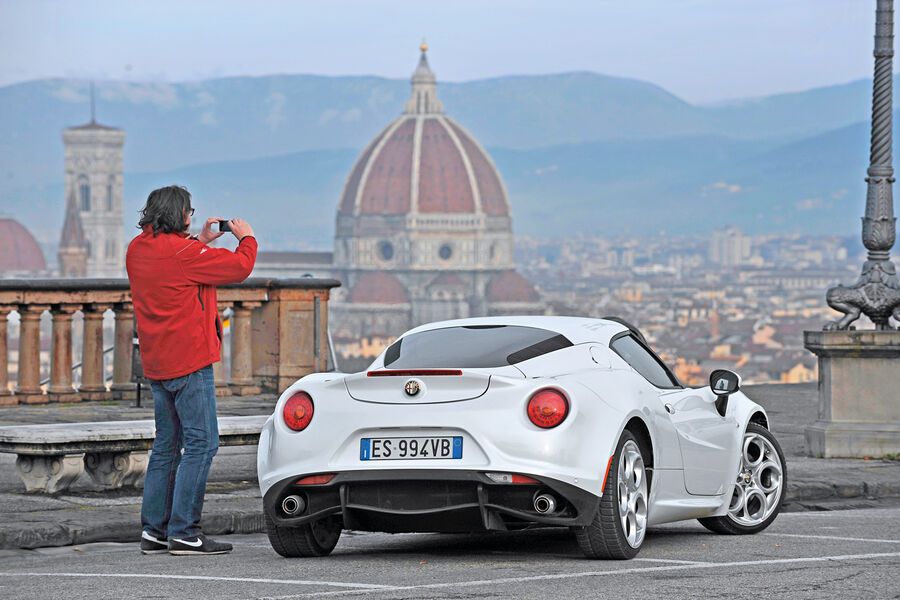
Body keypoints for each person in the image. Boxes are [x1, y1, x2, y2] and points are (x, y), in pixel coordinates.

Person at [126, 185, 257, 555]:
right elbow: (239, 267)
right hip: (190, 361)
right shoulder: (186, 253)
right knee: (202, 444)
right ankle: (184, 531)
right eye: (189, 212)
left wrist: (201, 240)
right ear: (178, 215)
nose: (192, 217)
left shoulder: (136, 249)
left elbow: (179, 264)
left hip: (156, 363)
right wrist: (246, 237)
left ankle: (154, 531)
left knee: (167, 446)